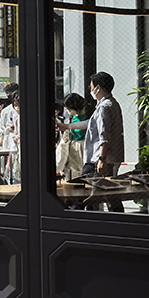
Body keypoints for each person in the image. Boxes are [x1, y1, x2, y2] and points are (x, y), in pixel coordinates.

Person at [70, 72, 125, 212]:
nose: (90, 90)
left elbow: (104, 134)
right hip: (108, 157)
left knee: (87, 190)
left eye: (91, 87)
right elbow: (91, 123)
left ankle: (78, 214)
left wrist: (101, 158)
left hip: (98, 159)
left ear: (98, 88)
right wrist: (67, 126)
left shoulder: (104, 107)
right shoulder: (112, 104)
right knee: (109, 192)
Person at [55, 93, 87, 180]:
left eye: (69, 109)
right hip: (73, 148)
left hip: (82, 147)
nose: (68, 111)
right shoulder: (74, 117)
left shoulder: (87, 118)